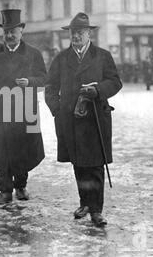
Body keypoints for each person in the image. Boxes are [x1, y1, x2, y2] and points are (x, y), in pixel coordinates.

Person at [45, 12, 122, 227]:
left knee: (95, 165)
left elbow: (115, 82)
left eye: (80, 32)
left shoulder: (102, 56)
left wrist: (97, 90)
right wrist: (57, 110)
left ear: (89, 33)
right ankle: (85, 203)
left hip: (96, 118)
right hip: (70, 119)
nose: (76, 36)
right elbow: (50, 87)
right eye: (73, 32)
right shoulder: (61, 58)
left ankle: (96, 210)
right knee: (79, 164)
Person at [0, 9, 46, 204]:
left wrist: (30, 82)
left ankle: (21, 186)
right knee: (1, 149)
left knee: (23, 148)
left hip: (25, 110)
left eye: (12, 32)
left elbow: (44, 78)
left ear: (21, 31)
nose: (9, 35)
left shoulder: (33, 54)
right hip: (0, 109)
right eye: (6, 32)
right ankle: (5, 190)